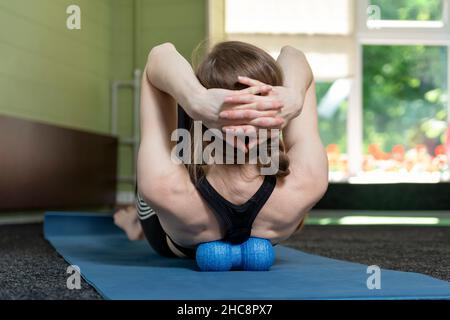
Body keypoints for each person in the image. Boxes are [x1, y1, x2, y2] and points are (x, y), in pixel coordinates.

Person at [114, 41, 328, 258]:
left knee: (159, 164)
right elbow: (292, 54)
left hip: (179, 219)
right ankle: (133, 223)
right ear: (278, 113)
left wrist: (195, 99)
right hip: (274, 212)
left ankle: (134, 222)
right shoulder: (306, 183)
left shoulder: (165, 188)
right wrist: (293, 94)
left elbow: (160, 54)